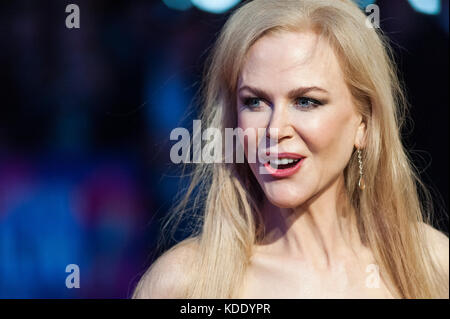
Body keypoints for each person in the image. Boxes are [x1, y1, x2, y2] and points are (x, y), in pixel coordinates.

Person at [133, 0, 449, 298]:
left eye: (306, 101)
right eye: (254, 102)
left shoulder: (430, 264)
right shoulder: (185, 283)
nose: (275, 130)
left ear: (363, 124)